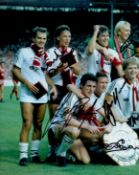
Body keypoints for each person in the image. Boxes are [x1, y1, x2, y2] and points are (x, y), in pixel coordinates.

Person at [12, 26, 57, 166]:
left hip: (42, 93)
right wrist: (27, 83)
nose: (42, 41)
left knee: (38, 124)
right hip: (27, 92)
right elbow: (15, 70)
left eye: (44, 38)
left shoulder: (46, 55)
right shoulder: (23, 52)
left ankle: (35, 154)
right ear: (33, 38)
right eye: (39, 38)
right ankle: (23, 156)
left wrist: (53, 86)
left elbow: (45, 74)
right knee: (27, 122)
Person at [48, 73, 111, 166]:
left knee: (85, 160)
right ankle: (59, 154)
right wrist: (87, 126)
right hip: (57, 129)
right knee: (74, 130)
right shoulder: (71, 96)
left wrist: (109, 124)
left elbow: (105, 113)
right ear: (81, 85)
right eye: (88, 86)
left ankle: (65, 152)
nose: (91, 89)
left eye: (94, 86)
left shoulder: (91, 98)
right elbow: (67, 118)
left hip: (75, 131)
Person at [46, 25, 81, 160]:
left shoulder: (72, 51)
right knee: (54, 120)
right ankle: (52, 149)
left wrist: (70, 63)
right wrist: (59, 68)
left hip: (71, 87)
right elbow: (49, 73)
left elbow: (78, 70)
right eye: (65, 36)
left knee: (69, 119)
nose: (67, 39)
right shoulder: (51, 52)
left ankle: (63, 150)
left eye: (69, 36)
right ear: (57, 37)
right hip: (57, 87)